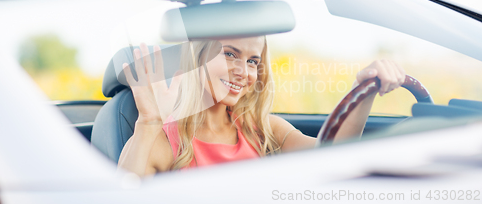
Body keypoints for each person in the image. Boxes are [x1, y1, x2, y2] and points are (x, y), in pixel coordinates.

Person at [117, 37, 405, 177]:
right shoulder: (165, 141)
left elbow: (331, 153)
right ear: (198, 57)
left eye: (253, 61)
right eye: (230, 55)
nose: (244, 71)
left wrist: (363, 91)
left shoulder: (263, 130)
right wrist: (150, 121)